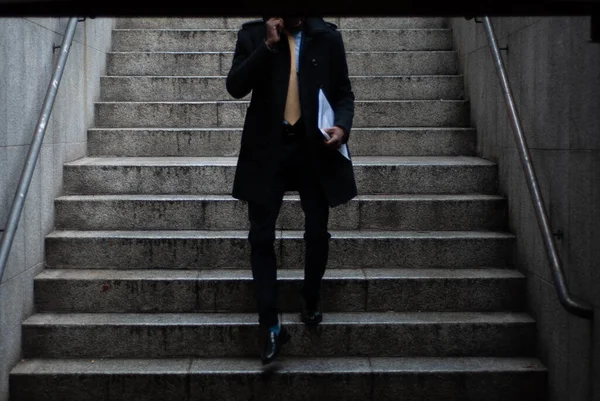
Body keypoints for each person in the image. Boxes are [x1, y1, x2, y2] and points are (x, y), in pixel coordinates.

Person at [226, 15, 357, 365]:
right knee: (261, 237)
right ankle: (269, 324)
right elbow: (235, 85)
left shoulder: (326, 37)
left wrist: (342, 127)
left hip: (314, 148)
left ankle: (310, 296)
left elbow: (343, 92)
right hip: (268, 149)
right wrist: (268, 46)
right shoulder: (254, 34)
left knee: (317, 230)